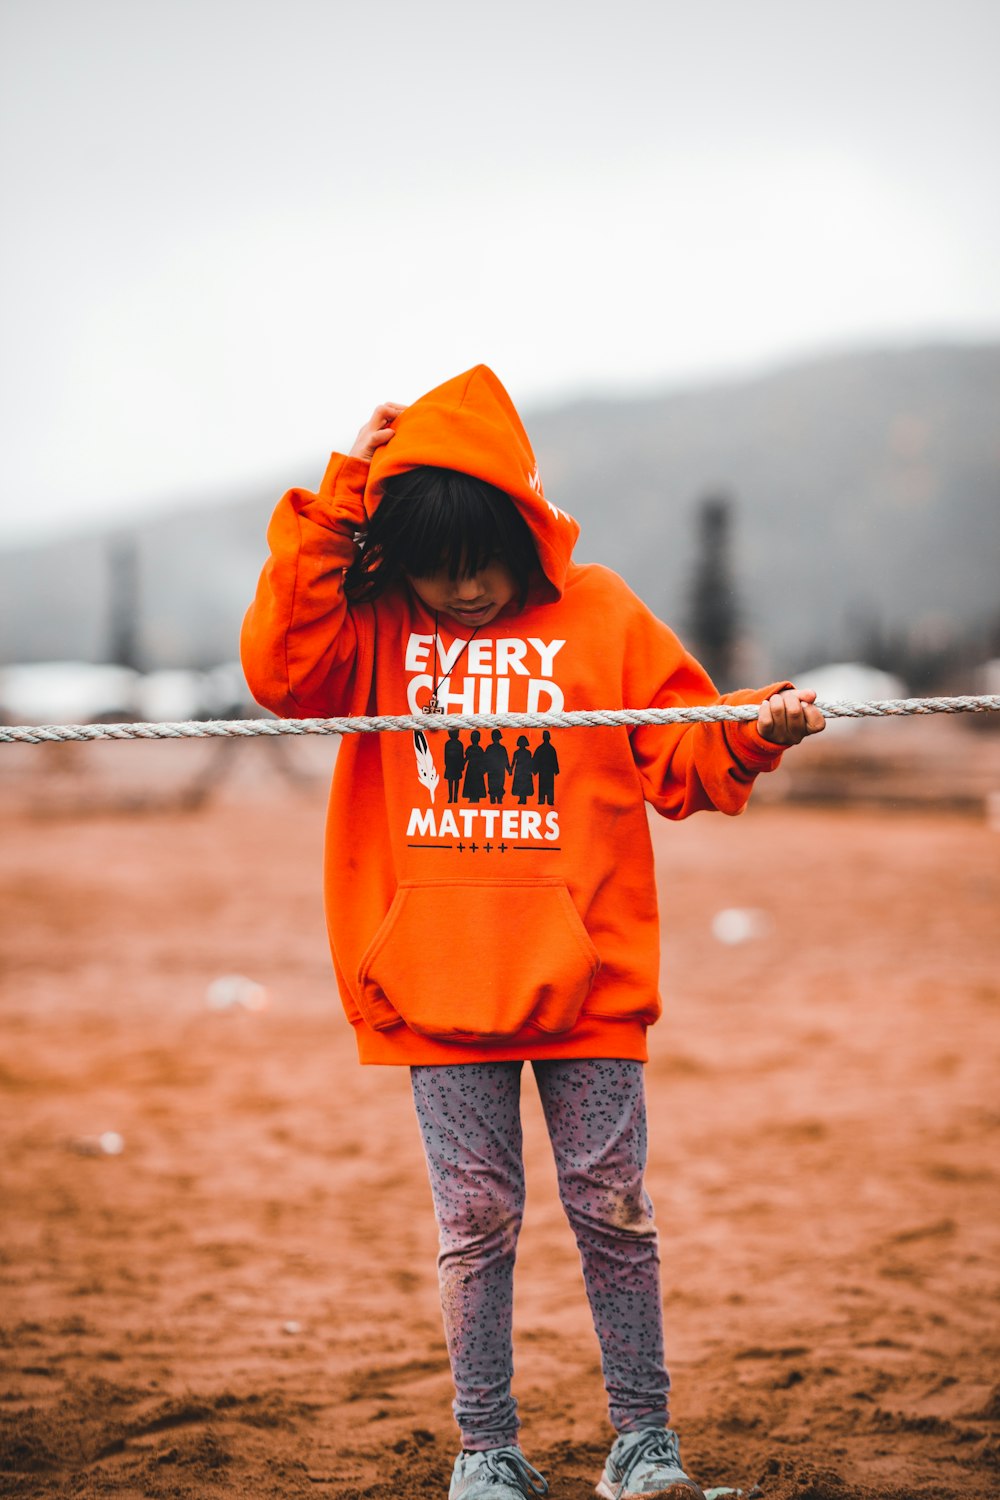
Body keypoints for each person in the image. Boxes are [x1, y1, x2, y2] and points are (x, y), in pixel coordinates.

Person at [241, 366, 824, 1500]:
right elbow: (278, 668)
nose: (460, 589)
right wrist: (346, 491)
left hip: (588, 978)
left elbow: (684, 757)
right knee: (475, 1222)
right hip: (434, 984)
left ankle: (642, 1442)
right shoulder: (371, 633)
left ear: (527, 529)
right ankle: (486, 1449)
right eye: (433, 565)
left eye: (481, 561)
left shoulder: (600, 614)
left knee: (613, 1209)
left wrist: (757, 733)